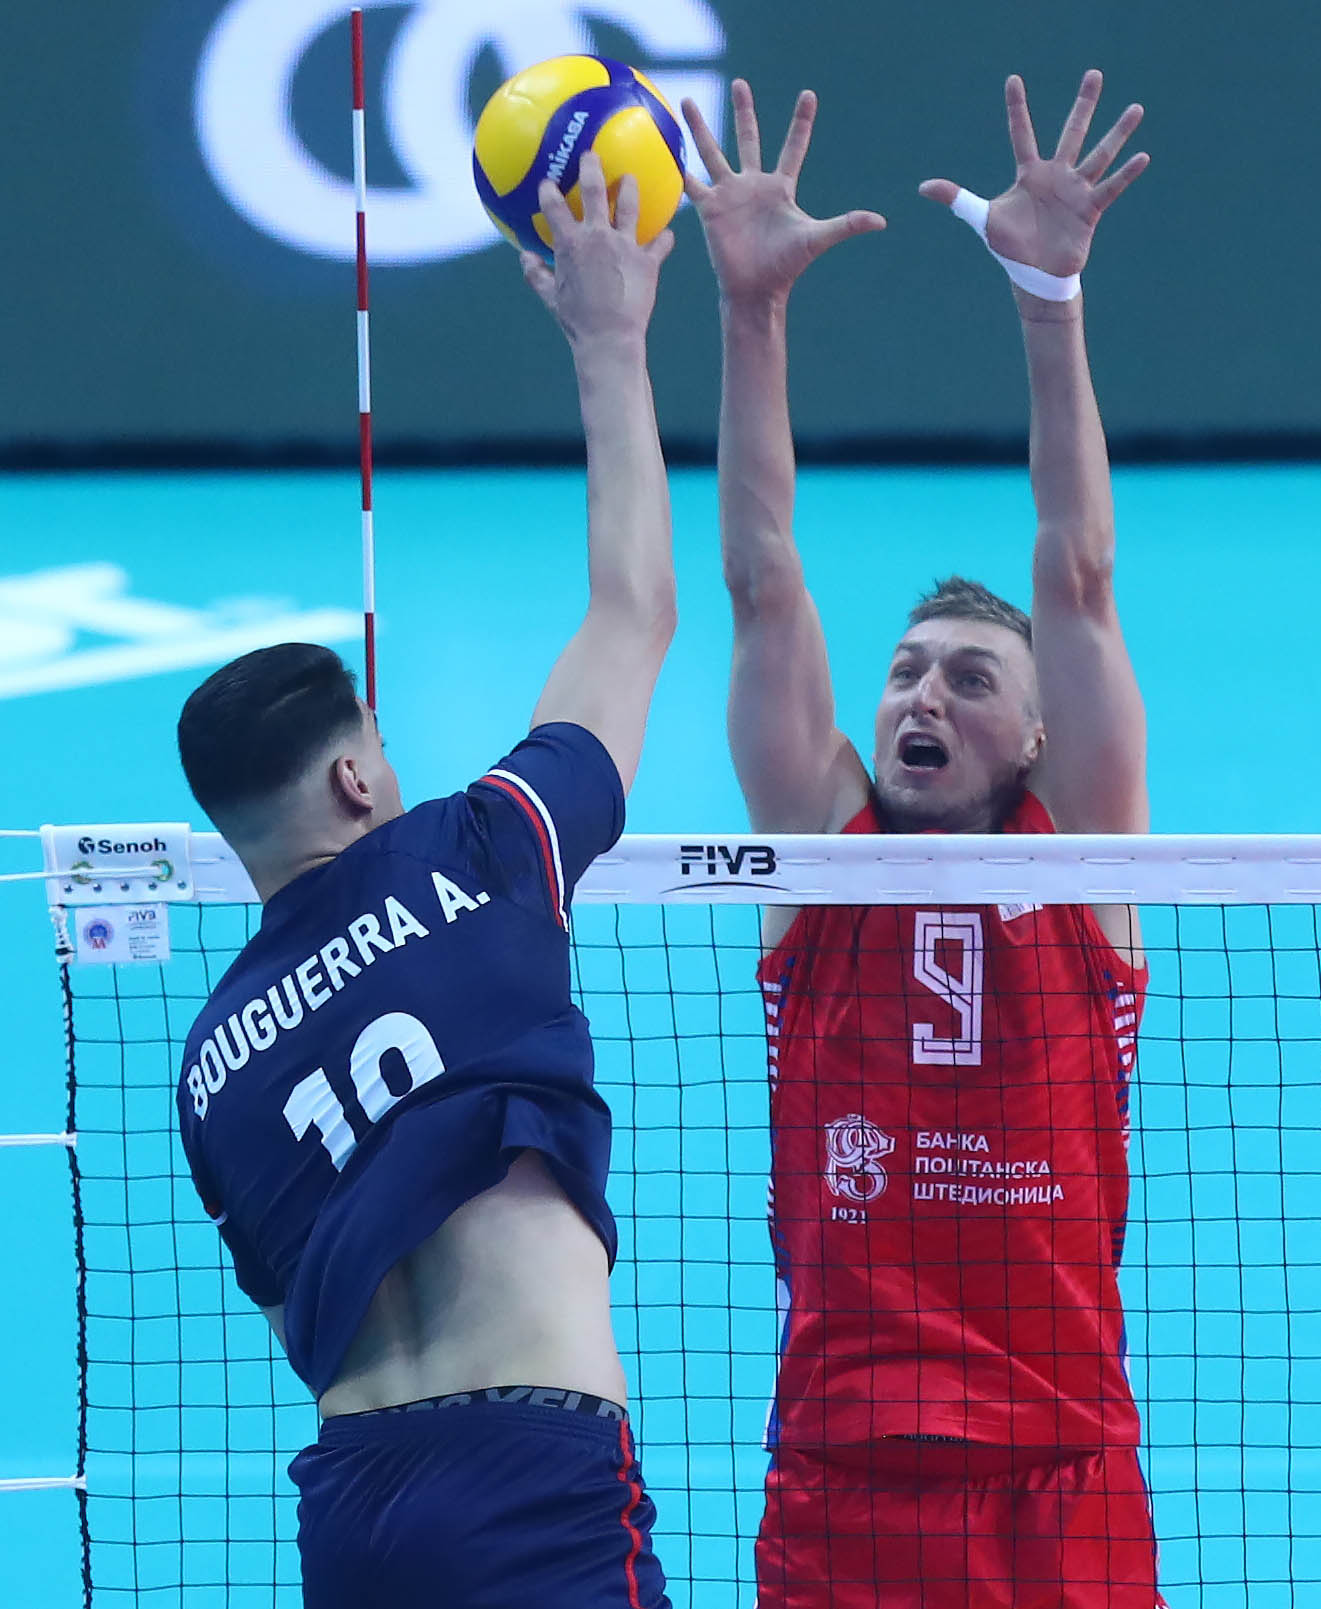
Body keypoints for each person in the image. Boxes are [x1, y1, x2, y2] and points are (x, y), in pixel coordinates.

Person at [172, 154, 678, 1607]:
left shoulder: (210, 1067)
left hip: (352, 1505)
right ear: (353, 779)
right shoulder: (485, 847)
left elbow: (298, 1308)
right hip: (535, 1479)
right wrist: (611, 340)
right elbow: (634, 613)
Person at [684, 71, 1157, 1606]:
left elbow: (1076, 573)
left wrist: (1048, 301)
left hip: (1060, 1475)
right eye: (905, 672)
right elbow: (762, 576)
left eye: (968, 678)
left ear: (1037, 736)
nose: (921, 696)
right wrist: (749, 313)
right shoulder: (814, 848)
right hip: (844, 1480)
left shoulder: (1085, 853)